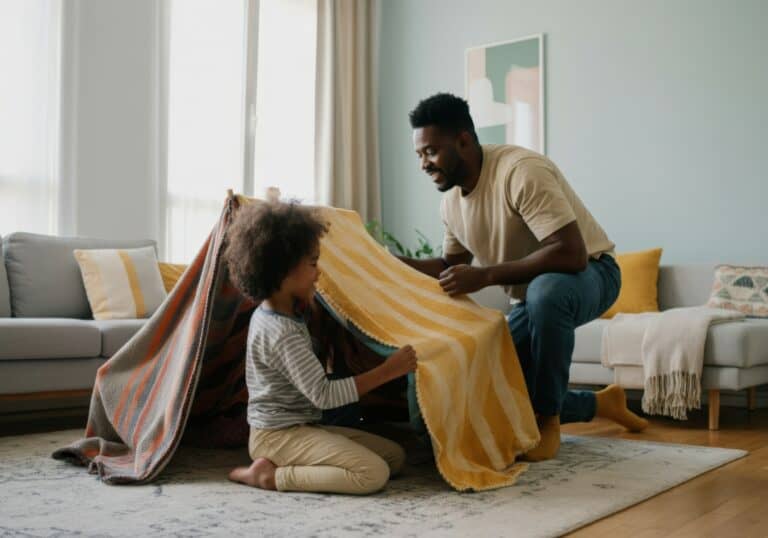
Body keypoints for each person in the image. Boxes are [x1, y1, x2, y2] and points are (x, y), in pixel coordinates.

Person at [399, 93, 648, 461]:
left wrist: (484, 275)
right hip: (530, 300)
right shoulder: (451, 203)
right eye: (420, 154)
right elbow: (448, 267)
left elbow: (570, 252)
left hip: (593, 272)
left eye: (431, 152)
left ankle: (549, 422)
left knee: (546, 291)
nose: (424, 163)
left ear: (464, 141)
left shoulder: (519, 171)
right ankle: (599, 404)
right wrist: (384, 261)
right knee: (489, 382)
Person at [224, 201, 417, 494]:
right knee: (372, 473)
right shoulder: (281, 331)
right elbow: (324, 396)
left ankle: (282, 465)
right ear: (284, 271)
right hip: (277, 436)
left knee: (394, 457)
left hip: (301, 426)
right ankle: (269, 477)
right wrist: (389, 370)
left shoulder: (283, 312)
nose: (318, 272)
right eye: (313, 263)